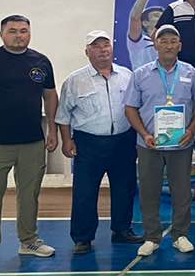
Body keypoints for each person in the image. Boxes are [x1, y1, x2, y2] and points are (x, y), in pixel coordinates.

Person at [0, 15, 59, 273]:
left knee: (30, 195)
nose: (19, 35)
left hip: (32, 143)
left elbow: (50, 96)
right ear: (1, 34)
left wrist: (52, 130)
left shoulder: (41, 62)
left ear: (30, 33)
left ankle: (29, 241)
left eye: (23, 31)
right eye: (13, 31)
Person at [55, 31, 142, 254]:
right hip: (88, 143)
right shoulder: (74, 80)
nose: (102, 50)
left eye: (106, 45)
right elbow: (63, 115)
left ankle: (122, 230)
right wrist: (67, 141)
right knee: (85, 191)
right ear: (87, 52)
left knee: (124, 188)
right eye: (96, 46)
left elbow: (136, 107)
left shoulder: (127, 76)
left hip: (123, 141)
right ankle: (82, 237)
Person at [124, 24, 195, 257]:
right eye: (163, 41)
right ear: (155, 45)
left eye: (173, 41)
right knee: (149, 190)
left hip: (181, 144)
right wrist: (144, 134)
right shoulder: (140, 74)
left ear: (180, 46)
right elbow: (130, 108)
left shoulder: (190, 73)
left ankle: (181, 235)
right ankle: (152, 237)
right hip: (150, 144)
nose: (168, 45)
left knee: (182, 190)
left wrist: (191, 130)